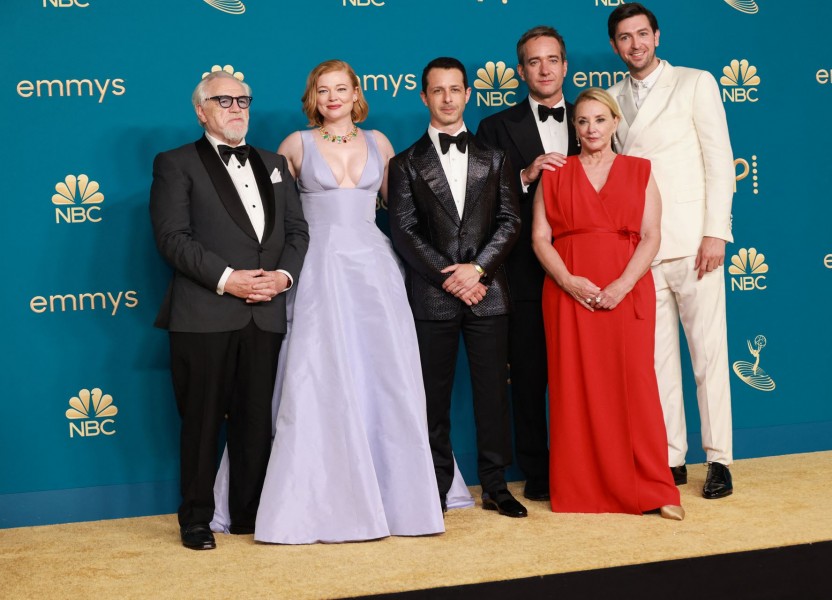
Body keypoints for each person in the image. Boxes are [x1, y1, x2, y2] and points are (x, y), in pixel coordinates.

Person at [215, 60, 449, 544]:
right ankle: (307, 499)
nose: (333, 97)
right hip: (315, 269)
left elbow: (404, 216)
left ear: (356, 92)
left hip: (373, 270)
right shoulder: (294, 146)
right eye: (324, 90)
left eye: (341, 89)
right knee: (310, 374)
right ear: (313, 97)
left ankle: (396, 499)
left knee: (383, 375)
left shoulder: (380, 143)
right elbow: (271, 221)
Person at [149, 71, 309, 550]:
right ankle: (196, 519)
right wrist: (228, 279)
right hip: (204, 314)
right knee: (200, 423)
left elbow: (298, 232)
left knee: (256, 420)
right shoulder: (175, 163)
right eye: (224, 100)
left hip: (265, 312)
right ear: (201, 111)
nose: (237, 107)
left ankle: (249, 514)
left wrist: (282, 278)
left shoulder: (274, 162)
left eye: (244, 100)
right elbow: (172, 238)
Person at [532, 88, 682, 519]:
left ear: (615, 123)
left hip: (626, 289)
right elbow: (540, 238)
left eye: (600, 119)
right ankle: (580, 489)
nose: (591, 128)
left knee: (635, 387)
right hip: (568, 292)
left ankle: (654, 488)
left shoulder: (639, 171)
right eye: (582, 121)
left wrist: (621, 284)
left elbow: (651, 235)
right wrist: (567, 280)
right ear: (573, 127)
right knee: (574, 389)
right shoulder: (556, 174)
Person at [607, 2, 735, 499]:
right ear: (616, 45)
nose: (635, 44)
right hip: (640, 247)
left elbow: (719, 160)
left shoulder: (695, 82)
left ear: (657, 37)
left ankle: (719, 458)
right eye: (624, 37)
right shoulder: (611, 98)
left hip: (692, 242)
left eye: (642, 34)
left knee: (708, 355)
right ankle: (670, 457)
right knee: (656, 361)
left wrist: (715, 232)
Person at [389, 57, 527, 518]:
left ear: (469, 94)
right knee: (432, 399)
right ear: (424, 97)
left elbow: (510, 220)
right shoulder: (404, 163)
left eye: (455, 89)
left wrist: (479, 271)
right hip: (433, 296)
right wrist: (453, 276)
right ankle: (435, 486)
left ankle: (495, 486)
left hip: (488, 294)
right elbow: (404, 230)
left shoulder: (497, 157)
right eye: (437, 90)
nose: (447, 99)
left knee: (493, 395)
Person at [475, 25, 579, 502]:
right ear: (520, 71)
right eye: (534, 62)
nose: (544, 69)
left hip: (586, 266)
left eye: (552, 59)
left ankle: (586, 465)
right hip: (521, 272)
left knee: (583, 374)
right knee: (531, 376)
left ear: (564, 65)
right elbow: (480, 201)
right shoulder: (496, 127)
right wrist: (524, 174)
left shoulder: (592, 117)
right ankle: (538, 472)